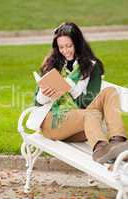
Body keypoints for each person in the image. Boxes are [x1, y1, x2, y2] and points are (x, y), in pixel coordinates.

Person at [35, 22, 128, 164]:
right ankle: (101, 149)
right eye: (61, 47)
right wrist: (44, 93)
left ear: (78, 44)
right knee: (90, 114)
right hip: (53, 121)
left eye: (69, 46)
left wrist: (67, 87)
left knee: (110, 92)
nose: (65, 51)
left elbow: (87, 102)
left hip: (80, 126)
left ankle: (118, 141)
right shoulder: (52, 64)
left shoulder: (92, 67)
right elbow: (37, 103)